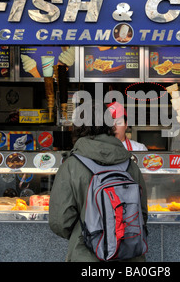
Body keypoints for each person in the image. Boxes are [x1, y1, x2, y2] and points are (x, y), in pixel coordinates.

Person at [48, 103, 148, 262]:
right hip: (130, 256)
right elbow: (142, 213)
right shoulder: (130, 164)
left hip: (86, 256)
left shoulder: (71, 166)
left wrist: (85, 233)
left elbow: (60, 222)